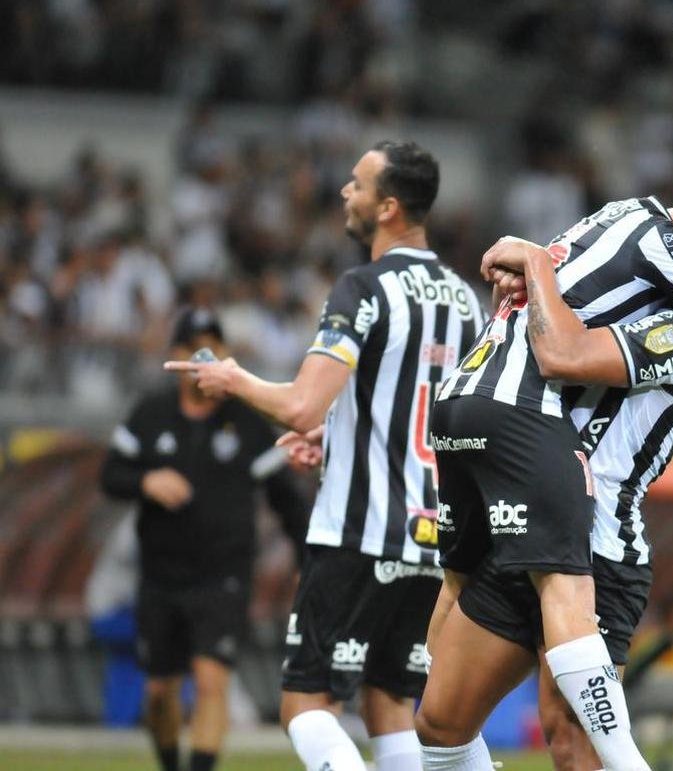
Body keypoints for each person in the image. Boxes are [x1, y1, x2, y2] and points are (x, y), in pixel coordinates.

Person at [418, 188, 673, 771]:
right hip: (532, 512)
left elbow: (566, 353)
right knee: (440, 721)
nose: (669, 248)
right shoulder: (648, 309)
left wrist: (536, 262)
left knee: (570, 738)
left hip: (601, 542)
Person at [167, 141, 485, 771]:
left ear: (388, 207)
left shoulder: (363, 288)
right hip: (430, 536)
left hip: (358, 530)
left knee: (305, 704)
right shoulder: (464, 299)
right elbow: (435, 412)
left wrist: (234, 381)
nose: (345, 192)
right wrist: (338, 435)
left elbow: (300, 407)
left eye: (357, 184)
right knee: (389, 703)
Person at [100, 307, 309, 771]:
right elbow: (111, 474)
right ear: (175, 355)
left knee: (213, 680)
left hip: (224, 575)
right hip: (160, 574)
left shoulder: (249, 421)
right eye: (193, 344)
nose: (204, 354)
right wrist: (146, 481)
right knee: (159, 693)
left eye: (215, 345)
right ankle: (171, 763)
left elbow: (287, 501)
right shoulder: (151, 413)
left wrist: (306, 561)